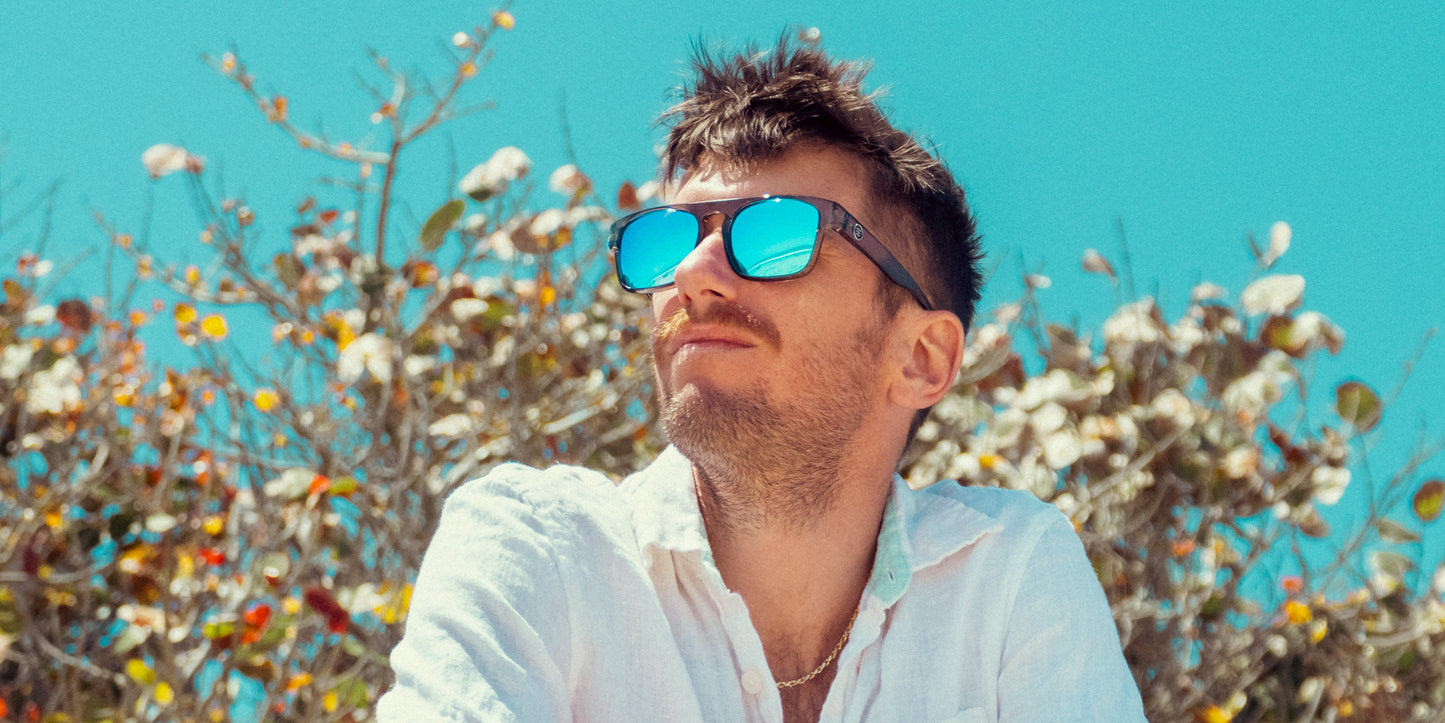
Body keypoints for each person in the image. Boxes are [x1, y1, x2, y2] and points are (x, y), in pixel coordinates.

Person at [379, 37, 1146, 723]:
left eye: (777, 234)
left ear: (920, 357)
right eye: (669, 237)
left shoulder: (1007, 574)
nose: (691, 273)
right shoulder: (539, 550)